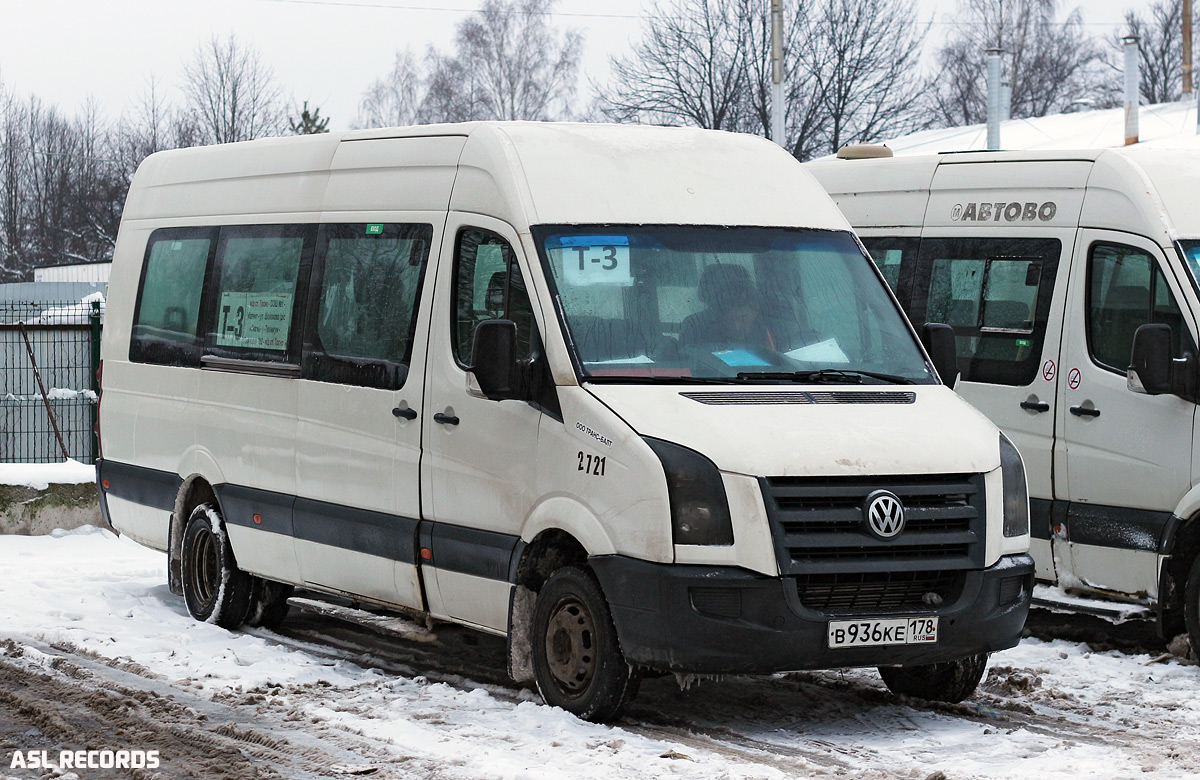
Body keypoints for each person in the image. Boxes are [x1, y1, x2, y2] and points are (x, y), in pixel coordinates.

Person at [679, 264, 775, 351]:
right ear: (716, 315)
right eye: (731, 320)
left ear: (755, 311)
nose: (738, 326)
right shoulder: (694, 327)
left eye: (743, 318)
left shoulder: (766, 332)